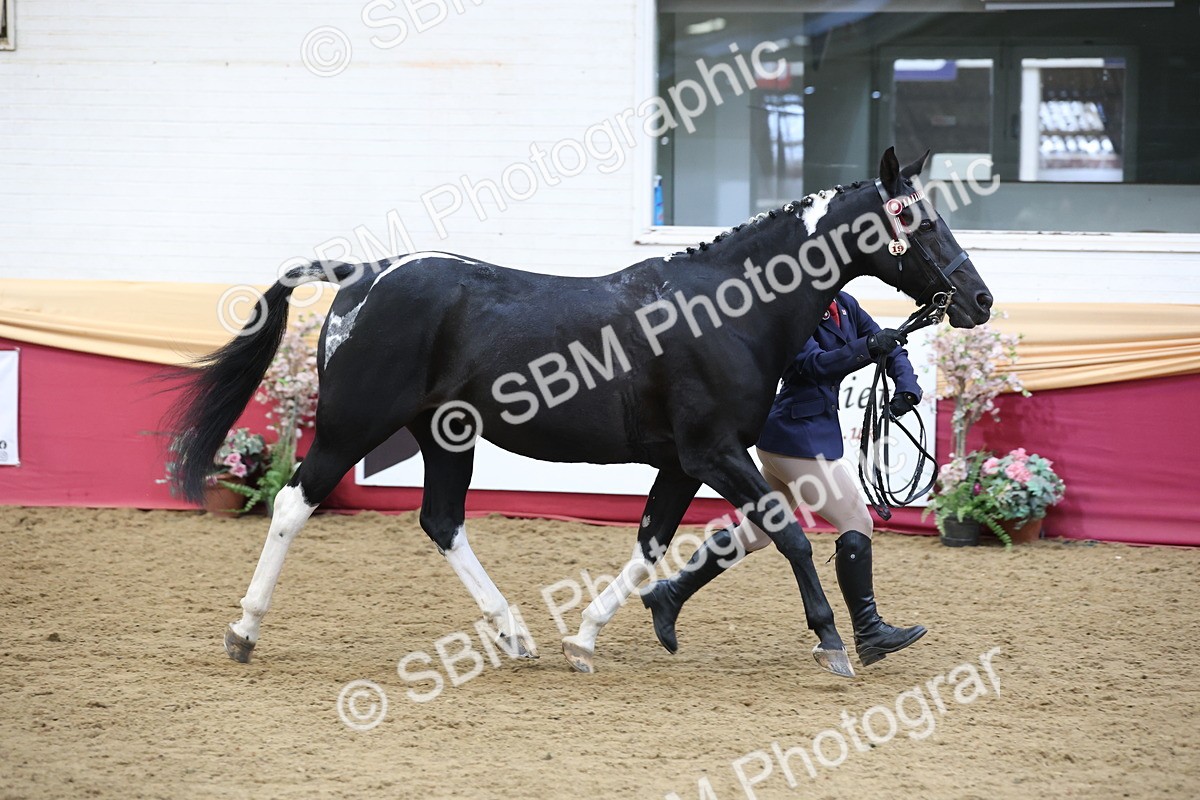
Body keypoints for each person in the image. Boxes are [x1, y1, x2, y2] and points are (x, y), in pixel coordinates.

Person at [641, 290, 927, 667]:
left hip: (802, 435)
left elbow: (888, 346)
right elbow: (815, 366)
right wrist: (868, 347)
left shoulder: (845, 304)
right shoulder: (791, 311)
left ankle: (671, 592)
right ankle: (869, 630)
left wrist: (905, 383)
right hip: (794, 437)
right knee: (855, 519)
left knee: (754, 534)